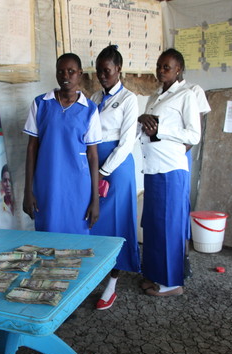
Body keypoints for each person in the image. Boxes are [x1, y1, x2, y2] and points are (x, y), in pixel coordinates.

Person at [138, 48, 201, 296]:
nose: (161, 70)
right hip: (152, 169)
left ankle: (172, 284)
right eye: (159, 66)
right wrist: (143, 118)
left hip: (171, 170)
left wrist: (160, 129)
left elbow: (193, 135)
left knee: (169, 227)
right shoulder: (154, 96)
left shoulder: (186, 96)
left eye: (167, 67)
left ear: (179, 70)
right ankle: (155, 275)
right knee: (154, 226)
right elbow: (148, 128)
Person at [23, 53, 102, 234]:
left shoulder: (89, 109)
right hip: (47, 183)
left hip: (78, 187)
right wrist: (27, 191)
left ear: (80, 73)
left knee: (78, 242)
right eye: (61, 72)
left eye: (71, 71)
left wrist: (95, 200)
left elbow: (93, 155)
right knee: (48, 238)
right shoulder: (41, 104)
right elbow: (31, 148)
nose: (65, 76)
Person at [89, 45, 141, 310]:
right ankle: (94, 277)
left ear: (118, 69)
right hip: (95, 162)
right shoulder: (95, 97)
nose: (102, 75)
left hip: (117, 168)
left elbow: (127, 143)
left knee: (117, 225)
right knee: (94, 222)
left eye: (107, 71)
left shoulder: (129, 99)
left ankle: (111, 286)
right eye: (99, 71)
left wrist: (103, 171)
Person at [178, 73, 211, 279]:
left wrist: (175, 153)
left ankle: (183, 256)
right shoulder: (159, 92)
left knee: (181, 205)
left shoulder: (193, 90)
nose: (162, 71)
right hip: (160, 157)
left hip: (179, 155)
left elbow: (194, 132)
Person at [0, 164, 18, 229]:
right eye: (5, 181)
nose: (8, 184)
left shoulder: (23, 206)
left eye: (10, 180)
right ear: (1, 183)